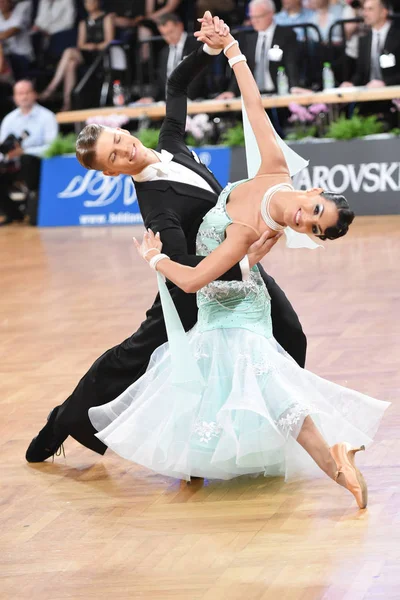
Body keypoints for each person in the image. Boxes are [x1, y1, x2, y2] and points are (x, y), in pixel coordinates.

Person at [88, 18, 389, 509]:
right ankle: (217, 466)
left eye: (311, 228)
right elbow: (254, 108)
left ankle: (335, 467)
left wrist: (156, 259)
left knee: (259, 394)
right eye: (314, 210)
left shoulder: (247, 231)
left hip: (229, 308)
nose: (304, 218)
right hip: (227, 306)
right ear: (312, 192)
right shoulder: (274, 167)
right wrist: (231, 50)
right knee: (218, 386)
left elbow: (195, 279)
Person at [25, 14, 307, 464]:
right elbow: (184, 265)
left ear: (124, 130)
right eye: (114, 156)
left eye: (119, 139)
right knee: (132, 360)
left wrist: (212, 49)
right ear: (110, 172)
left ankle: (278, 428)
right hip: (195, 286)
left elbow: (176, 88)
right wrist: (247, 258)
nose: (125, 150)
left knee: (291, 335)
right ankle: (64, 421)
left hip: (233, 262)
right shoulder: (155, 205)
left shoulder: (172, 144)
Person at [0, 79, 58, 226]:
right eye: (20, 93)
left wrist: (24, 151)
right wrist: (6, 156)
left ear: (34, 94)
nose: (24, 97)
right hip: (12, 163)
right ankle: (13, 213)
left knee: (27, 160)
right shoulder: (9, 119)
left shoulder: (47, 117)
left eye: (27, 92)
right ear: (14, 97)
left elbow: (52, 147)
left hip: (37, 165)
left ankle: (34, 201)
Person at [39, 0, 115, 111]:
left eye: (92, 1)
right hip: (87, 55)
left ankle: (51, 89)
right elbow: (81, 44)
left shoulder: (107, 18)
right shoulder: (83, 22)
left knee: (69, 52)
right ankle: (67, 103)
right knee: (71, 64)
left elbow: (109, 41)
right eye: (87, 2)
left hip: (101, 55)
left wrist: (96, 46)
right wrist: (89, 46)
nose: (89, 4)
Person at [216, 0, 300, 100]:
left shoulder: (286, 35)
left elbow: (291, 64)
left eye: (258, 17)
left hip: (279, 92)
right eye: (252, 17)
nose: (254, 21)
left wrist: (295, 87)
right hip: (252, 95)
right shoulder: (248, 37)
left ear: (271, 14)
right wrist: (231, 91)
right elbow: (241, 66)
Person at [137, 12, 207, 104]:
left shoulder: (196, 46)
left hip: (193, 100)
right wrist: (151, 97)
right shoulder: (164, 52)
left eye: (171, 32)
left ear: (180, 26)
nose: (168, 37)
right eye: (164, 34)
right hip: (167, 103)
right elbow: (161, 81)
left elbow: (200, 77)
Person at [340, 0, 400, 89]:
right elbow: (360, 74)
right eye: (364, 9)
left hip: (394, 95)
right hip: (369, 95)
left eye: (370, 9)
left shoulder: (397, 37)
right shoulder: (364, 40)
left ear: (383, 12)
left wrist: (385, 83)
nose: (365, 13)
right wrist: (351, 83)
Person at [0, 0, 33, 80]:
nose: (1, 4)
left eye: (3, 2)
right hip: (5, 54)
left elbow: (8, 34)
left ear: (10, 2)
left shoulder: (20, 14)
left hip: (21, 55)